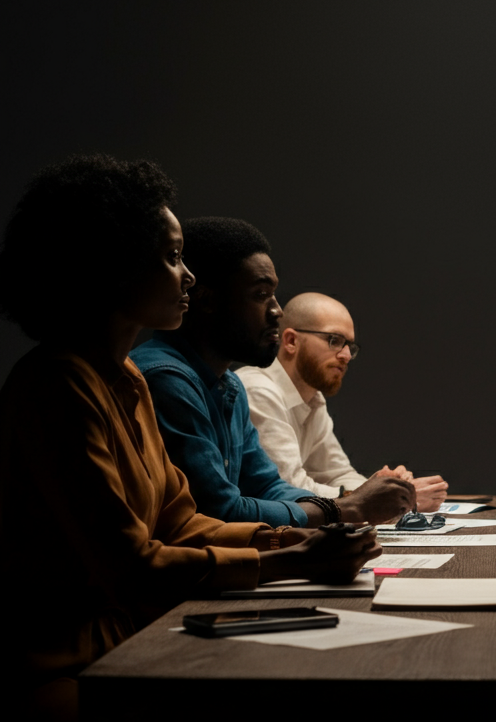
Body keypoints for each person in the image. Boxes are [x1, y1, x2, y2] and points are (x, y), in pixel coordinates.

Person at [0, 156, 380, 722]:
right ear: (114, 266)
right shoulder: (58, 386)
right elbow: (134, 568)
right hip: (70, 672)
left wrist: (295, 546)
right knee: (286, 713)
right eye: (173, 258)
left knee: (305, 696)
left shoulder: (122, 376)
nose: (189, 279)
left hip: (133, 642)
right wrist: (296, 560)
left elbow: (182, 522)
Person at [132, 218, 415, 527]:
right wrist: (347, 507)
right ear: (207, 300)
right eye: (260, 294)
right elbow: (217, 511)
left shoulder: (229, 386)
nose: (277, 311)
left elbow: (267, 486)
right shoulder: (167, 379)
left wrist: (360, 500)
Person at [236, 292, 448, 512]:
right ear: (291, 341)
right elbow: (287, 490)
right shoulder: (258, 391)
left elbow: (338, 474)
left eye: (349, 346)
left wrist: (386, 489)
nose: (346, 355)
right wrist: (379, 498)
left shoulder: (313, 399)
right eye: (334, 340)